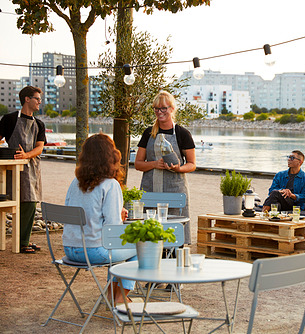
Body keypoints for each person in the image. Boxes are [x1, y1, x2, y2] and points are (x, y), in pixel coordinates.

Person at [63, 133, 136, 304]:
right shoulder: (110, 185)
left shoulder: (75, 183)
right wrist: (119, 215)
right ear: (111, 156)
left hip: (70, 248)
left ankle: (112, 295)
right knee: (140, 246)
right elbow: (113, 229)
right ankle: (120, 297)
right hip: (92, 251)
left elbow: (74, 210)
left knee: (117, 250)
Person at [135, 91, 196, 244]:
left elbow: (192, 164)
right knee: (150, 232)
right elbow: (138, 164)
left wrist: (178, 168)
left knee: (174, 231)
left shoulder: (182, 133)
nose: (159, 112)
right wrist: (155, 164)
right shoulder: (148, 133)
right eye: (156, 108)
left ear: (172, 109)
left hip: (175, 190)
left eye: (163, 108)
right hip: (150, 189)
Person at [0, 86, 46, 254]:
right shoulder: (10, 119)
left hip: (32, 167)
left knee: (30, 202)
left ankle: (23, 240)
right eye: (37, 98)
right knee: (12, 202)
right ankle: (19, 241)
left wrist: (27, 155)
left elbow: (39, 148)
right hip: (12, 167)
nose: (40, 102)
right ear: (27, 99)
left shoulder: (39, 124)